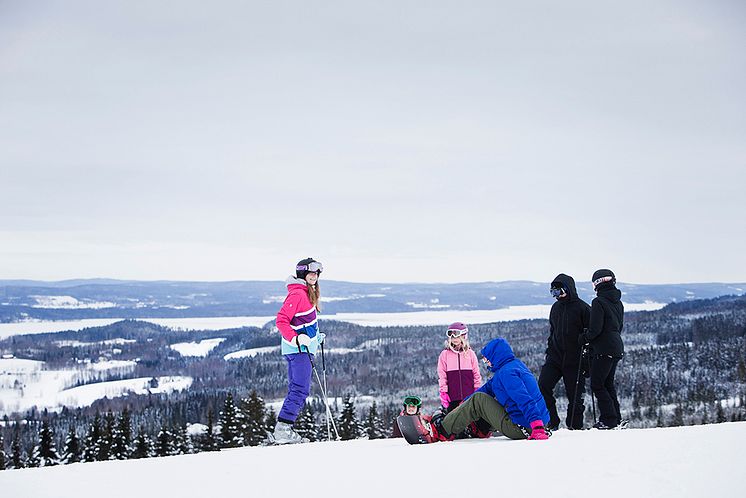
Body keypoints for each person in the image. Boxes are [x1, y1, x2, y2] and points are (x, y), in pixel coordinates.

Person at [431, 337, 551, 441]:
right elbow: (488, 388)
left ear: (495, 357)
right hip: (534, 422)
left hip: (525, 427)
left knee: (479, 399)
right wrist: (464, 403)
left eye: (487, 359)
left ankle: (441, 430)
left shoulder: (507, 374)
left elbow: (524, 399)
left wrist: (537, 427)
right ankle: (480, 428)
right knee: (483, 397)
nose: (487, 362)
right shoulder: (512, 366)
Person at [272, 257, 326, 444]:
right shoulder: (297, 294)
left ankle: (284, 429)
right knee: (300, 389)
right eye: (311, 272)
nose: (315, 275)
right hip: (298, 350)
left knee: (298, 388)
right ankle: (283, 429)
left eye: (317, 273)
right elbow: (281, 320)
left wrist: (316, 338)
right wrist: (295, 338)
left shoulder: (307, 293)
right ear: (303, 273)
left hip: (303, 349)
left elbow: (305, 323)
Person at [538, 274, 591, 430]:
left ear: (568, 289)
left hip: (575, 360)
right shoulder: (555, 308)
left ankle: (574, 428)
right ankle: (552, 422)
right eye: (553, 293)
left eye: (559, 292)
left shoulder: (584, 309)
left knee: (575, 397)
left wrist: (588, 361)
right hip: (555, 357)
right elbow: (553, 332)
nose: (556, 296)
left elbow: (592, 336)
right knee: (542, 387)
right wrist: (550, 351)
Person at [578, 269, 625, 430]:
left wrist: (584, 337)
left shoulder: (598, 302)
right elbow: (619, 326)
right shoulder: (618, 302)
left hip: (604, 348)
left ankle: (609, 420)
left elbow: (595, 329)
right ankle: (616, 418)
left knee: (598, 384)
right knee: (608, 384)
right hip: (617, 346)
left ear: (597, 284)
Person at [437, 322, 482, 412]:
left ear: (464, 336)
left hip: (469, 395)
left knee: (472, 421)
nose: (454, 339)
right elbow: (442, 375)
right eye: (452, 337)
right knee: (454, 422)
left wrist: (477, 389)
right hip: (453, 396)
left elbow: (476, 374)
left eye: (457, 336)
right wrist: (444, 392)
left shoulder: (470, 354)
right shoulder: (445, 354)